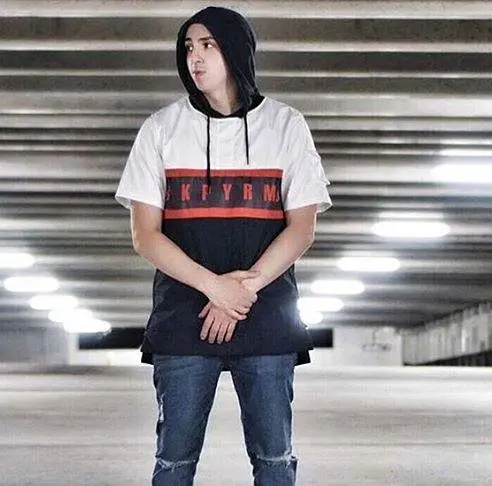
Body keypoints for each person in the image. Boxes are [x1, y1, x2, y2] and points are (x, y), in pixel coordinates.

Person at [115, 6, 331, 485]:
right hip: (183, 316)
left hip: (268, 314)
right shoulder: (161, 129)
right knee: (174, 461)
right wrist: (215, 288)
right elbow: (145, 235)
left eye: (208, 45)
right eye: (189, 47)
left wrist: (241, 292)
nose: (195, 57)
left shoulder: (286, 125)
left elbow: (302, 228)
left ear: (236, 51)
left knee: (275, 460)